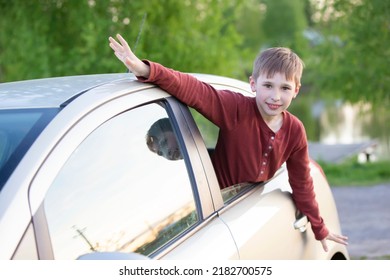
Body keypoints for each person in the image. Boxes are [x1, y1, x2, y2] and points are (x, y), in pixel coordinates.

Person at [108, 33, 348, 252]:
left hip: (245, 209)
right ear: (253, 84)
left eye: (285, 88)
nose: (275, 96)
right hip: (215, 206)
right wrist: (146, 70)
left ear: (296, 90)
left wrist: (319, 227)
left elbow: (302, 182)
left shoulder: (295, 130)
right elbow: (195, 90)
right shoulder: (236, 109)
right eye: (268, 86)